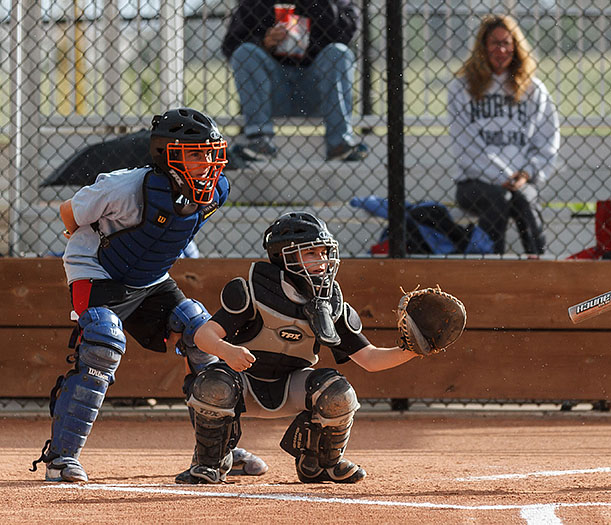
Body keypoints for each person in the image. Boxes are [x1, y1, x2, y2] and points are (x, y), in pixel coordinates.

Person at [29, 108, 245, 483]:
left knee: (200, 331)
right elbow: (69, 213)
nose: (207, 162)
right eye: (196, 153)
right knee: (102, 341)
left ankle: (218, 450)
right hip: (97, 271)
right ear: (167, 153)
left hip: (151, 279)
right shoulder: (123, 186)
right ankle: (62, 458)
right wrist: (83, 241)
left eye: (211, 153)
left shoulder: (214, 192)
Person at [174, 211, 420, 484]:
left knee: (338, 392)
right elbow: (204, 335)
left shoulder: (330, 302)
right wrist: (227, 351)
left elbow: (370, 359)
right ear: (284, 256)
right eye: (311, 253)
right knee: (213, 384)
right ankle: (211, 463)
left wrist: (412, 349)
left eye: (324, 252)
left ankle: (321, 462)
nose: (322, 261)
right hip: (243, 384)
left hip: (291, 386)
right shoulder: (251, 291)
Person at [448, 14, 560, 256]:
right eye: (494, 43)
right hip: (474, 181)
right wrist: (501, 175)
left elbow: (548, 141)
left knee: (525, 200)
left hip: (520, 180)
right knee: (498, 199)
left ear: (516, 47)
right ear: (483, 47)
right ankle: (489, 271)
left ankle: (540, 266)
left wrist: (526, 173)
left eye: (506, 43)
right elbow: (465, 145)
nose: (501, 49)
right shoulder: (462, 88)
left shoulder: (533, 90)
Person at [222, 0, 367, 161]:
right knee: (245, 52)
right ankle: (259, 140)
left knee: (339, 53)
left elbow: (345, 34)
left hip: (317, 91)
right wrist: (263, 42)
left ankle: (339, 142)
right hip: (273, 92)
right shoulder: (256, 3)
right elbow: (231, 45)